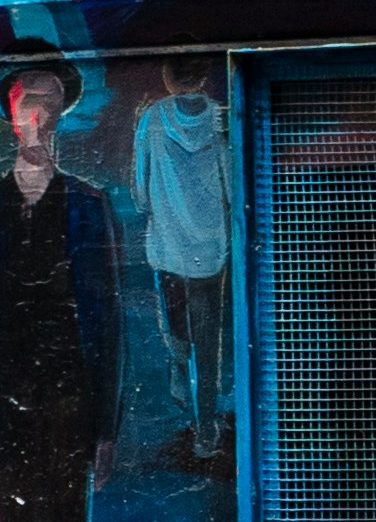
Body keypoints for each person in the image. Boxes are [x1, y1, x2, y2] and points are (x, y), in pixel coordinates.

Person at [0, 66, 120, 522]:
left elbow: (107, 325)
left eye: (50, 103)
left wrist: (106, 430)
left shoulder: (88, 205)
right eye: (29, 101)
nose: (39, 115)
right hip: (6, 410)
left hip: (71, 406)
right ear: (11, 113)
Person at [130, 60, 233, 461]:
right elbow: (231, 179)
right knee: (209, 339)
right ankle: (205, 426)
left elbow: (139, 185)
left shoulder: (152, 120)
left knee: (174, 318)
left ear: (167, 78)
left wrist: (154, 207)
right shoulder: (220, 120)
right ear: (203, 77)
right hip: (210, 247)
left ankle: (177, 367)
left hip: (169, 244)